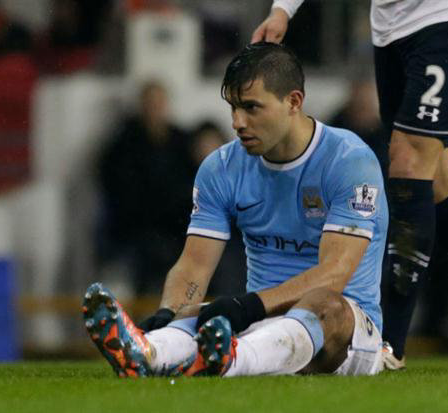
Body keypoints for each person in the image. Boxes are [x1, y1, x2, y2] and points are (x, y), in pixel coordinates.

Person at [253, 0, 448, 370]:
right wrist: (283, 10)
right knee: (435, 183)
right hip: (391, 30)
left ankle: (389, 342)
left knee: (408, 162)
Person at [83, 42, 388, 378]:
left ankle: (229, 360)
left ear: (294, 102)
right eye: (233, 108)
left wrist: (249, 305)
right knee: (196, 313)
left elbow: (334, 274)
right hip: (262, 324)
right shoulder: (221, 167)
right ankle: (149, 352)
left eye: (251, 108)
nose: (237, 122)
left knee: (323, 305)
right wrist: (170, 312)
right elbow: (194, 264)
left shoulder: (349, 161)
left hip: (347, 333)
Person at [97, 80, 194, 295]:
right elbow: (117, 188)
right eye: (150, 103)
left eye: (159, 103)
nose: (155, 109)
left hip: (175, 230)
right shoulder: (124, 144)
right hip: (134, 231)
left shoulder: (182, 142)